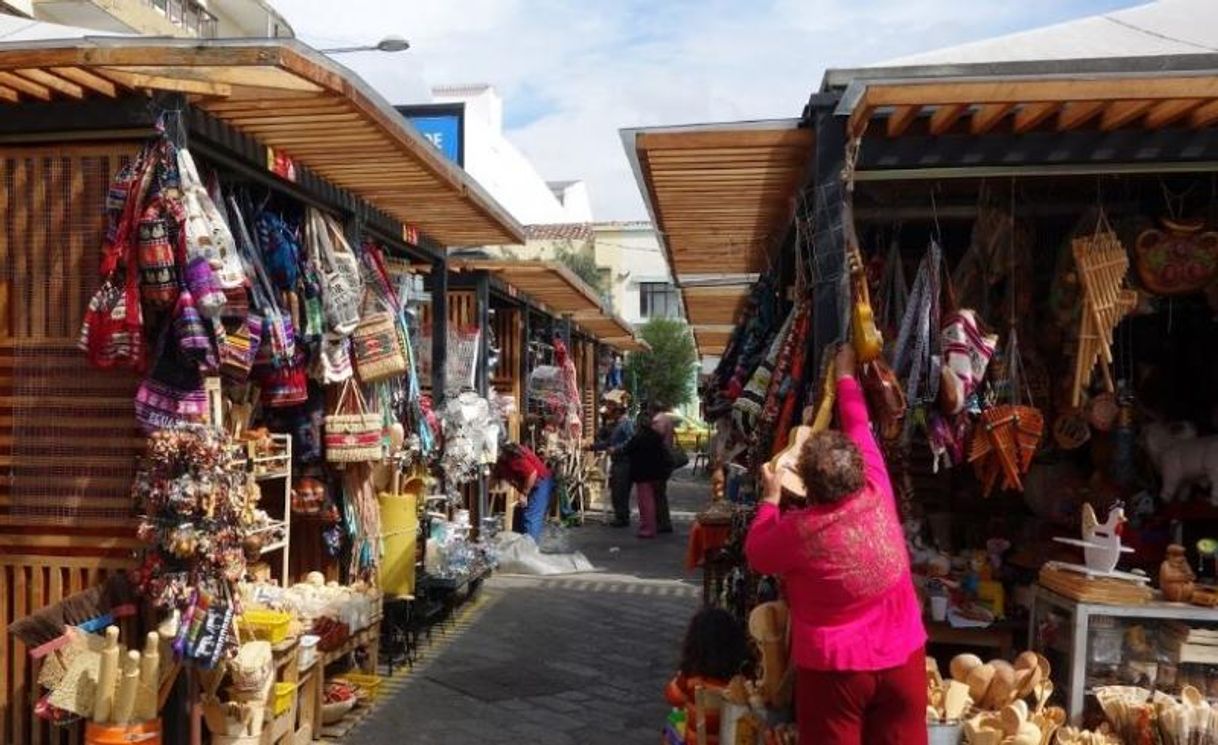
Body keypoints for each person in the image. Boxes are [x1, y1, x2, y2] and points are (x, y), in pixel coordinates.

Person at [745, 344, 927, 745]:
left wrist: (771, 499)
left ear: (806, 485)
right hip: (903, 658)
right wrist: (845, 374)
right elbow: (859, 423)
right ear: (860, 468)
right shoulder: (878, 490)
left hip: (836, 671)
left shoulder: (798, 531)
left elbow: (757, 552)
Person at [664, 607, 751, 745]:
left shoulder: (690, 678)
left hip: (696, 741)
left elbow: (672, 696)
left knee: (675, 717)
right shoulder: (739, 683)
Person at [493, 442, 554, 544]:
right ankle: (521, 549)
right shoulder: (502, 461)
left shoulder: (513, 456)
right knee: (520, 517)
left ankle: (529, 552)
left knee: (530, 518)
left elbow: (532, 473)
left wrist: (524, 494)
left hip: (540, 483)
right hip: (531, 484)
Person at [619, 412, 668, 538]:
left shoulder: (638, 438)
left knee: (646, 502)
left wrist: (615, 450)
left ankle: (648, 528)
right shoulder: (657, 437)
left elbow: (626, 450)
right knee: (657, 500)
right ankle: (659, 525)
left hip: (643, 475)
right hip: (658, 473)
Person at [590, 393, 634, 527]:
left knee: (620, 490)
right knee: (616, 489)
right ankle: (620, 516)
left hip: (624, 462)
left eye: (612, 412)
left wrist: (617, 449)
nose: (610, 415)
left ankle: (622, 518)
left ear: (618, 412)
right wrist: (591, 446)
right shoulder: (616, 425)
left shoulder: (626, 424)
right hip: (618, 462)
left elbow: (631, 441)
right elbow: (608, 442)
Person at [650, 403, 676, 533]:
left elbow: (655, 438)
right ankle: (663, 521)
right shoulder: (667, 419)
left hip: (659, 460)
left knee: (658, 493)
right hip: (665, 459)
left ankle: (662, 522)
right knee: (660, 492)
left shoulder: (658, 420)